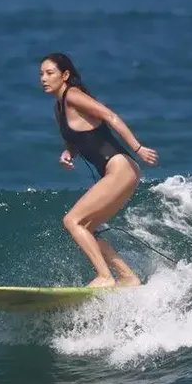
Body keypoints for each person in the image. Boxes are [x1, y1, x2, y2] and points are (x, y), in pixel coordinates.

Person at [39, 52, 159, 288]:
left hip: (120, 167)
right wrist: (69, 152)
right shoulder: (58, 108)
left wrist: (137, 147)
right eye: (41, 74)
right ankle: (127, 276)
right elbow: (80, 135)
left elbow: (109, 116)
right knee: (87, 227)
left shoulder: (73, 95)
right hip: (121, 172)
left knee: (72, 221)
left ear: (65, 75)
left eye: (49, 73)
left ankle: (105, 277)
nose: (43, 78)